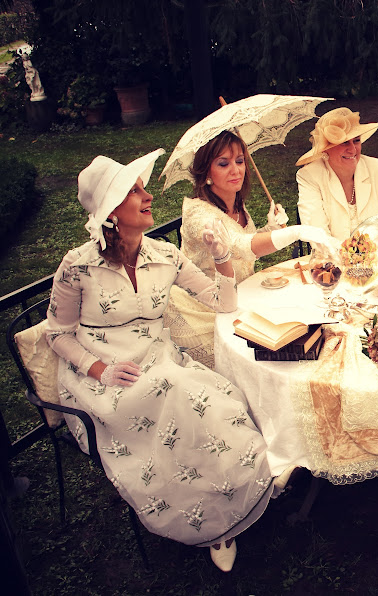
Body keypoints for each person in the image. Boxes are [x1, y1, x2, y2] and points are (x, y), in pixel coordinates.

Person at [46, 149, 293, 572]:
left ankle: (247, 480)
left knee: (212, 395)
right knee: (182, 392)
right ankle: (218, 524)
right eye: (135, 192)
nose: (147, 197)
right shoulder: (78, 267)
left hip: (159, 359)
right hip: (106, 376)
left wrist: (220, 258)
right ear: (111, 213)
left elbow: (222, 302)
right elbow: (57, 334)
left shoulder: (164, 255)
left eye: (143, 189)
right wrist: (99, 369)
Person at [165, 130, 337, 368]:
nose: (236, 170)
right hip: (205, 310)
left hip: (241, 295)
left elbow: (244, 245)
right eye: (223, 163)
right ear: (206, 173)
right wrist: (295, 232)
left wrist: (271, 227)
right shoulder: (199, 213)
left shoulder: (234, 202)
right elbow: (240, 246)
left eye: (239, 161)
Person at [296, 107, 378, 240]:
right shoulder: (310, 176)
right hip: (330, 257)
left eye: (356, 140)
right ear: (326, 150)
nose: (352, 149)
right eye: (344, 142)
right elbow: (317, 234)